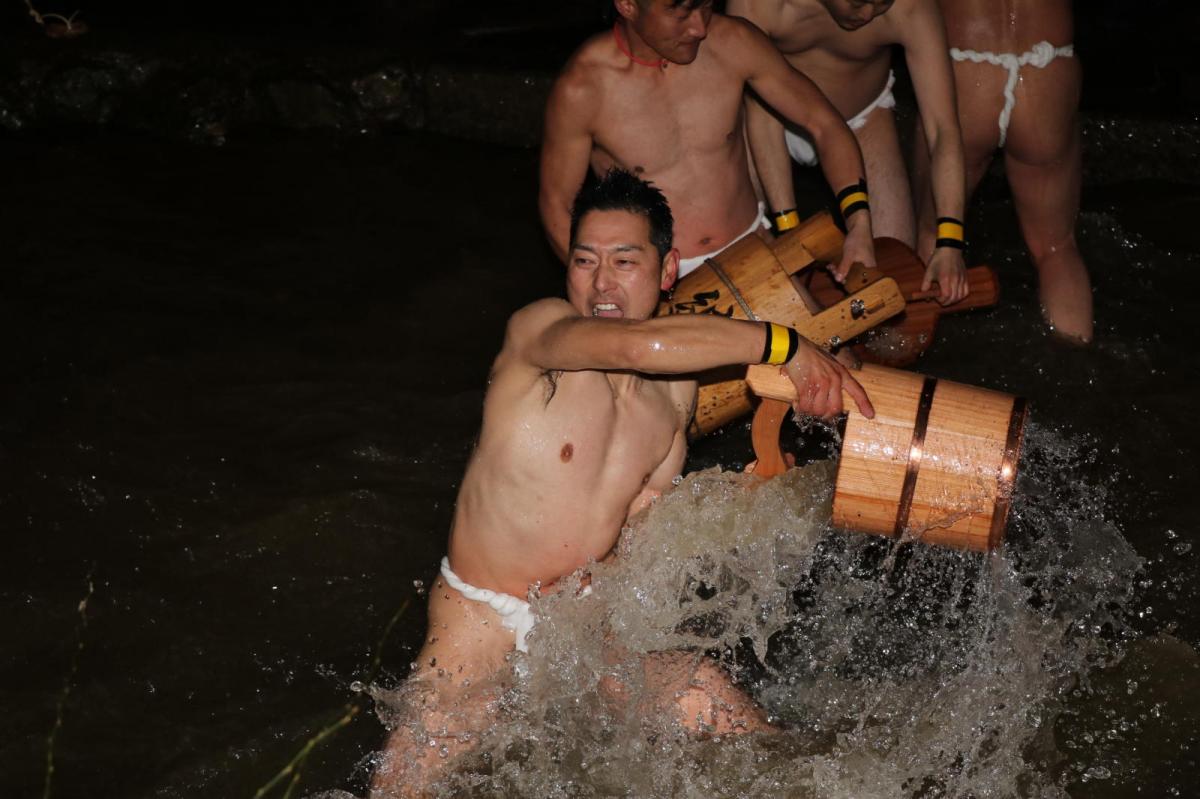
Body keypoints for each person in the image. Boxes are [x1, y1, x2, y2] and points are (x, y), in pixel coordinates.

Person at [371, 169, 874, 797]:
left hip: (583, 626)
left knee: (752, 743)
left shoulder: (676, 390)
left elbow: (639, 528)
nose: (601, 282)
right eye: (584, 261)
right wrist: (785, 345)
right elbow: (638, 346)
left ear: (668, 271)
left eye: (624, 261)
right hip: (481, 617)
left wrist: (749, 507)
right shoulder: (541, 331)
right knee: (401, 789)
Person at [539, 0, 878, 283]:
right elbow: (557, 204)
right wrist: (605, 287)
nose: (699, 27)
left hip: (752, 246)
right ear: (628, 4)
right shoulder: (583, 87)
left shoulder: (734, 41)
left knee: (840, 356)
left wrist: (859, 225)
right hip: (653, 276)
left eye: (705, 5)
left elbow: (824, 123)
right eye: (682, 12)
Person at [728, 0, 969, 305]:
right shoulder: (758, 5)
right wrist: (789, 229)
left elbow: (943, 129)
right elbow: (758, 108)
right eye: (858, 2)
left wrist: (950, 244)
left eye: (881, 3)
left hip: (861, 118)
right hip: (765, 119)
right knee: (750, 262)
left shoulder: (911, 7)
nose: (867, 14)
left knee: (892, 275)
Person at [912, 0, 1093, 342]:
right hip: (1046, 69)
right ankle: (1079, 364)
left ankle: (915, 364)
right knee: (1056, 248)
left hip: (964, 72)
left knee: (931, 235)